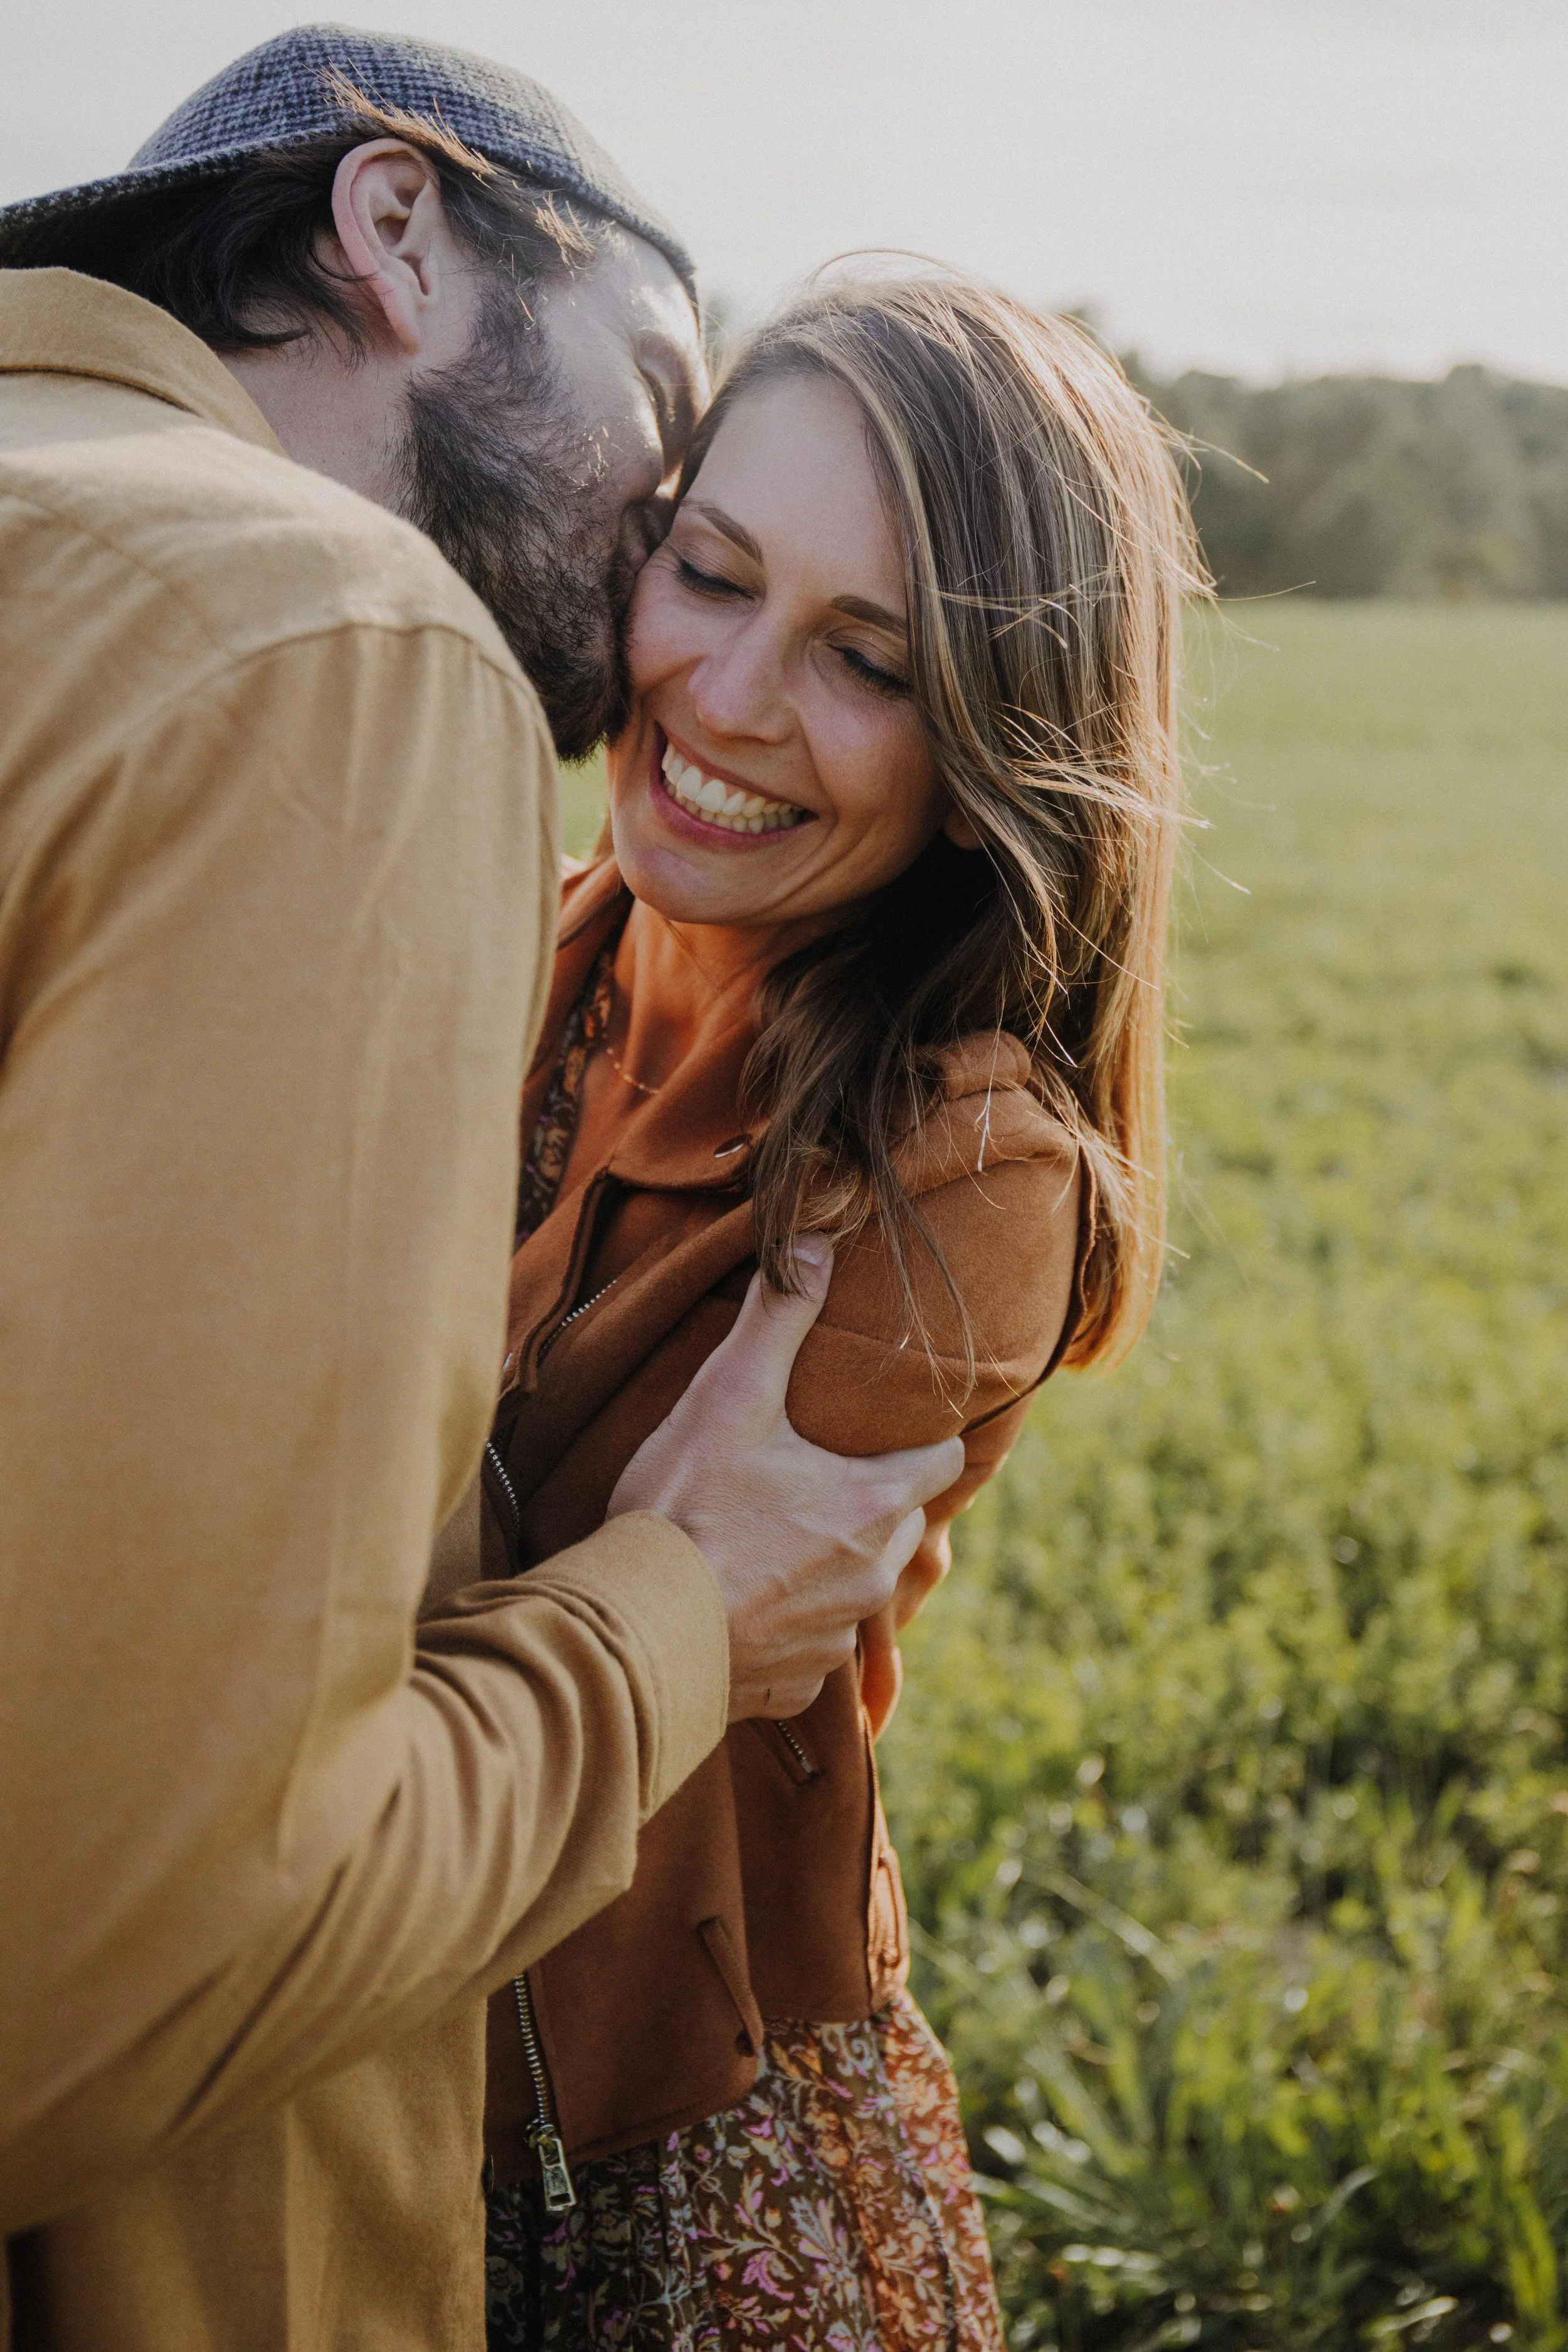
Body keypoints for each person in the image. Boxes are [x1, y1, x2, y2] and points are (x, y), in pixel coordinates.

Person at [0, 31, 961, 2352]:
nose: (655, 532)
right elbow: (99, 1963)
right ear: (400, 231)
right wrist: (682, 1611)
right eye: (657, 395)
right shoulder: (334, 640)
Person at [477, 277, 1204, 2348]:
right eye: (710, 573)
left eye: (865, 660)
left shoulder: (962, 1166)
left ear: (990, 756)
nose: (724, 696)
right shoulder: (498, 946)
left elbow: (618, 1639)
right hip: (334, 2054)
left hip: (643, 2136)